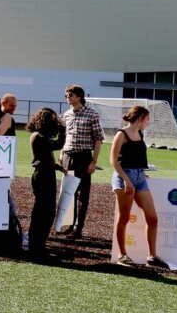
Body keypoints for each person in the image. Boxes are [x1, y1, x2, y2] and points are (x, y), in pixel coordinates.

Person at [110, 106, 168, 268]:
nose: (149, 122)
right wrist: (127, 180)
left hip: (140, 177)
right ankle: (122, 255)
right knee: (124, 218)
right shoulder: (121, 134)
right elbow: (113, 160)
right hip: (124, 178)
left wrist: (140, 174)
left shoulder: (140, 134)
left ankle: (152, 256)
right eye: (148, 119)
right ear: (141, 118)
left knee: (152, 218)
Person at [58, 84, 103, 239]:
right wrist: (61, 153)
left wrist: (94, 161)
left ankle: (79, 228)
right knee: (69, 192)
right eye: (66, 95)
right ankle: (69, 225)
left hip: (84, 156)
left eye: (69, 95)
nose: (67, 98)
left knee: (82, 194)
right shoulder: (66, 114)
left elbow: (98, 139)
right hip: (68, 156)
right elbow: (64, 136)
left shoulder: (92, 114)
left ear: (79, 96)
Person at [26, 108, 66, 259]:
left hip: (44, 175)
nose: (55, 123)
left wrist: (56, 166)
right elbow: (59, 144)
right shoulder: (39, 136)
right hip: (43, 177)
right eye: (53, 120)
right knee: (43, 213)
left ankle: (38, 246)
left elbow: (41, 158)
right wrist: (63, 127)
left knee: (44, 212)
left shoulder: (38, 136)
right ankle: (37, 247)